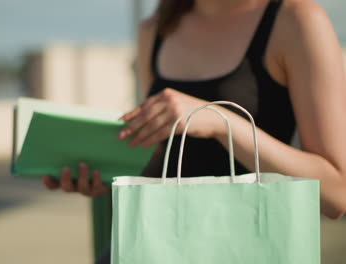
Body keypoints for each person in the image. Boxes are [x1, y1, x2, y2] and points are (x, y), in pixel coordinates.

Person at [43, 0, 346, 261]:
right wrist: (103, 173)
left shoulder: (296, 21)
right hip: (153, 249)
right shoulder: (155, 29)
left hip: (245, 249)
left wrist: (220, 123)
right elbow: (163, 159)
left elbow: (336, 194)